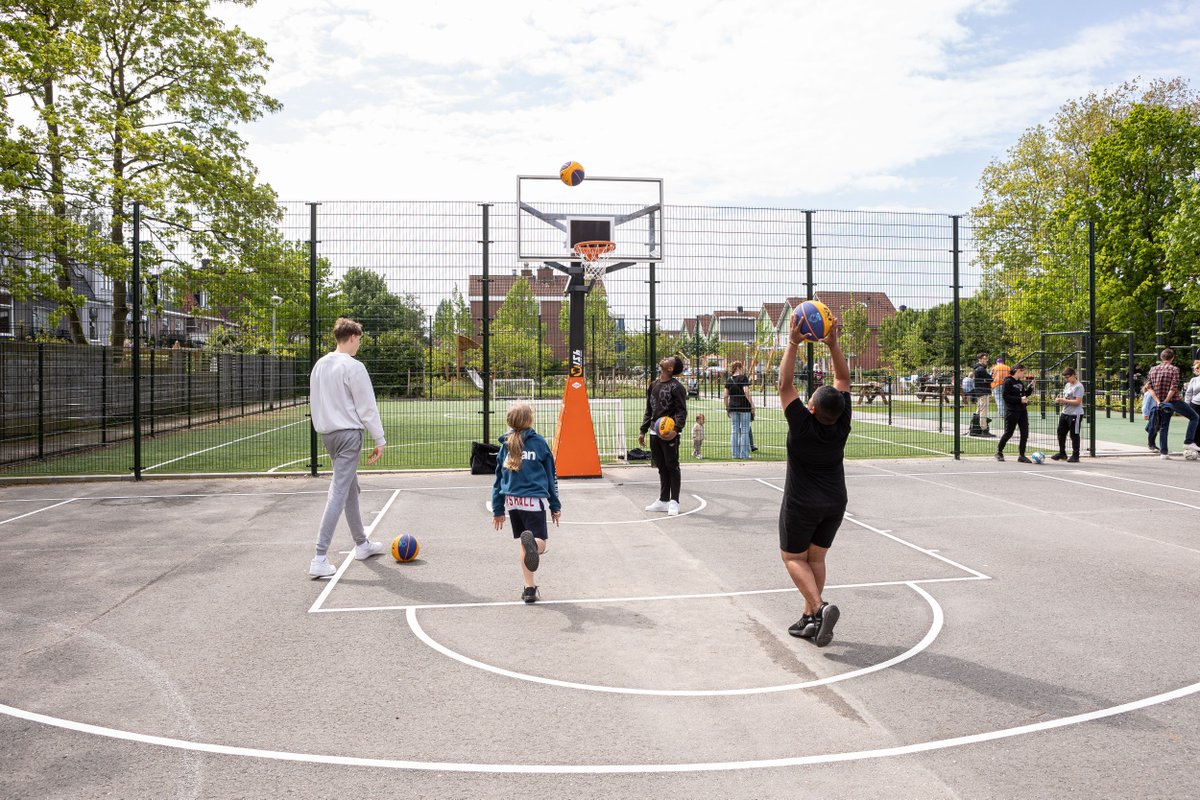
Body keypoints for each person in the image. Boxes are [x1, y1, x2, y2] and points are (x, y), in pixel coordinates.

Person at [777, 318, 851, 648]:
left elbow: (783, 384)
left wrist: (792, 343)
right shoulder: (842, 420)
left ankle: (820, 608)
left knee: (793, 558)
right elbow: (844, 379)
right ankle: (809, 619)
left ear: (810, 407)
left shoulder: (802, 425)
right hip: (835, 502)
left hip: (802, 503)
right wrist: (833, 344)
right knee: (816, 559)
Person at [307, 318, 387, 578]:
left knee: (350, 488)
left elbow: (315, 402)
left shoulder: (320, 364)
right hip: (349, 435)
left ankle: (361, 543)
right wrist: (379, 439)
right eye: (360, 340)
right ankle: (319, 556)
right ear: (352, 337)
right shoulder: (353, 366)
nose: (359, 345)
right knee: (339, 491)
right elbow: (367, 406)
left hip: (328, 434)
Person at [491, 403, 562, 604]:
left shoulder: (505, 446)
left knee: (524, 543)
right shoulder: (539, 443)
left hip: (512, 502)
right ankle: (535, 547)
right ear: (530, 420)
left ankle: (529, 588)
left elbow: (498, 480)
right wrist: (555, 505)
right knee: (538, 542)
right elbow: (551, 476)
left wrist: (498, 509)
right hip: (533, 501)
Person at [639, 355, 689, 516]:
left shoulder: (677, 387)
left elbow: (682, 411)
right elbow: (649, 409)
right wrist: (643, 430)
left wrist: (677, 429)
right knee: (661, 467)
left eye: (669, 359)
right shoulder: (653, 384)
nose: (665, 358)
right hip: (655, 431)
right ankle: (663, 500)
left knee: (672, 465)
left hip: (669, 433)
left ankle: (674, 501)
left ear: (670, 368)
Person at [1146, 348, 1200, 460]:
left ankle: (1164, 453)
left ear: (1161, 358)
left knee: (1164, 427)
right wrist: (1166, 400)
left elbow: (1149, 387)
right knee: (1194, 417)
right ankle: (1188, 441)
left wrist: (1158, 401)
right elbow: (1173, 388)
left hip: (1159, 402)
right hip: (1173, 401)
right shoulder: (1174, 369)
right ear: (1172, 358)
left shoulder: (1153, 369)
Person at [995, 363, 1035, 463]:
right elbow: (1006, 396)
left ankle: (1022, 455)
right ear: (1018, 371)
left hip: (1022, 411)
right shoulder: (1008, 382)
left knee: (1024, 433)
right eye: (1023, 372)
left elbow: (1024, 394)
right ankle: (999, 452)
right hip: (1012, 411)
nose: (1024, 374)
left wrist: (1031, 388)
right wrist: (1019, 400)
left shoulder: (1020, 383)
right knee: (1009, 433)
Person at [1051, 367, 1084, 462]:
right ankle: (1062, 453)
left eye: (1068, 377)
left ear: (1073, 375)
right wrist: (1061, 399)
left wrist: (1063, 400)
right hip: (1065, 412)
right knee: (1060, 433)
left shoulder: (1079, 386)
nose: (1066, 379)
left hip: (1075, 414)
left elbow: (1077, 402)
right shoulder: (1067, 385)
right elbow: (1067, 398)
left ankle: (1075, 455)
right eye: (1065, 377)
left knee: (1074, 434)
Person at [724, 361, 754, 459]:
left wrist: (727, 407)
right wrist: (752, 404)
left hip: (733, 407)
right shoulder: (743, 378)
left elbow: (725, 396)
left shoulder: (729, 380)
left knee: (734, 430)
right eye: (741, 367)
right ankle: (744, 454)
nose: (742, 369)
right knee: (745, 430)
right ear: (738, 367)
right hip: (744, 407)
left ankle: (735, 454)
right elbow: (746, 392)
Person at [971, 352, 994, 436]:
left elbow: (988, 379)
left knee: (979, 410)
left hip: (980, 391)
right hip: (983, 391)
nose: (986, 360)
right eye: (984, 358)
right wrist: (991, 376)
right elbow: (990, 379)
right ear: (979, 359)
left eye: (986, 358)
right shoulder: (981, 369)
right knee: (983, 411)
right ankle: (984, 429)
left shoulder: (978, 368)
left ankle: (975, 428)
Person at [991, 355, 1011, 420]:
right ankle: (1008, 413)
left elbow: (990, 377)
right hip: (1006, 385)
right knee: (1006, 399)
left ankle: (1002, 414)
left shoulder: (994, 368)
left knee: (999, 400)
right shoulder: (1008, 368)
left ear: (997, 362)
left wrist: (991, 386)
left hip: (997, 385)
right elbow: (1010, 377)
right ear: (1002, 362)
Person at [1143, 382, 1161, 453]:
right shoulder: (1148, 394)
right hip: (1152, 412)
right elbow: (1145, 404)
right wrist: (1145, 414)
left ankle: (1153, 443)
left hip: (1156, 412)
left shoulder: (1155, 393)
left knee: (1155, 428)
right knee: (1153, 428)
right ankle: (1151, 444)